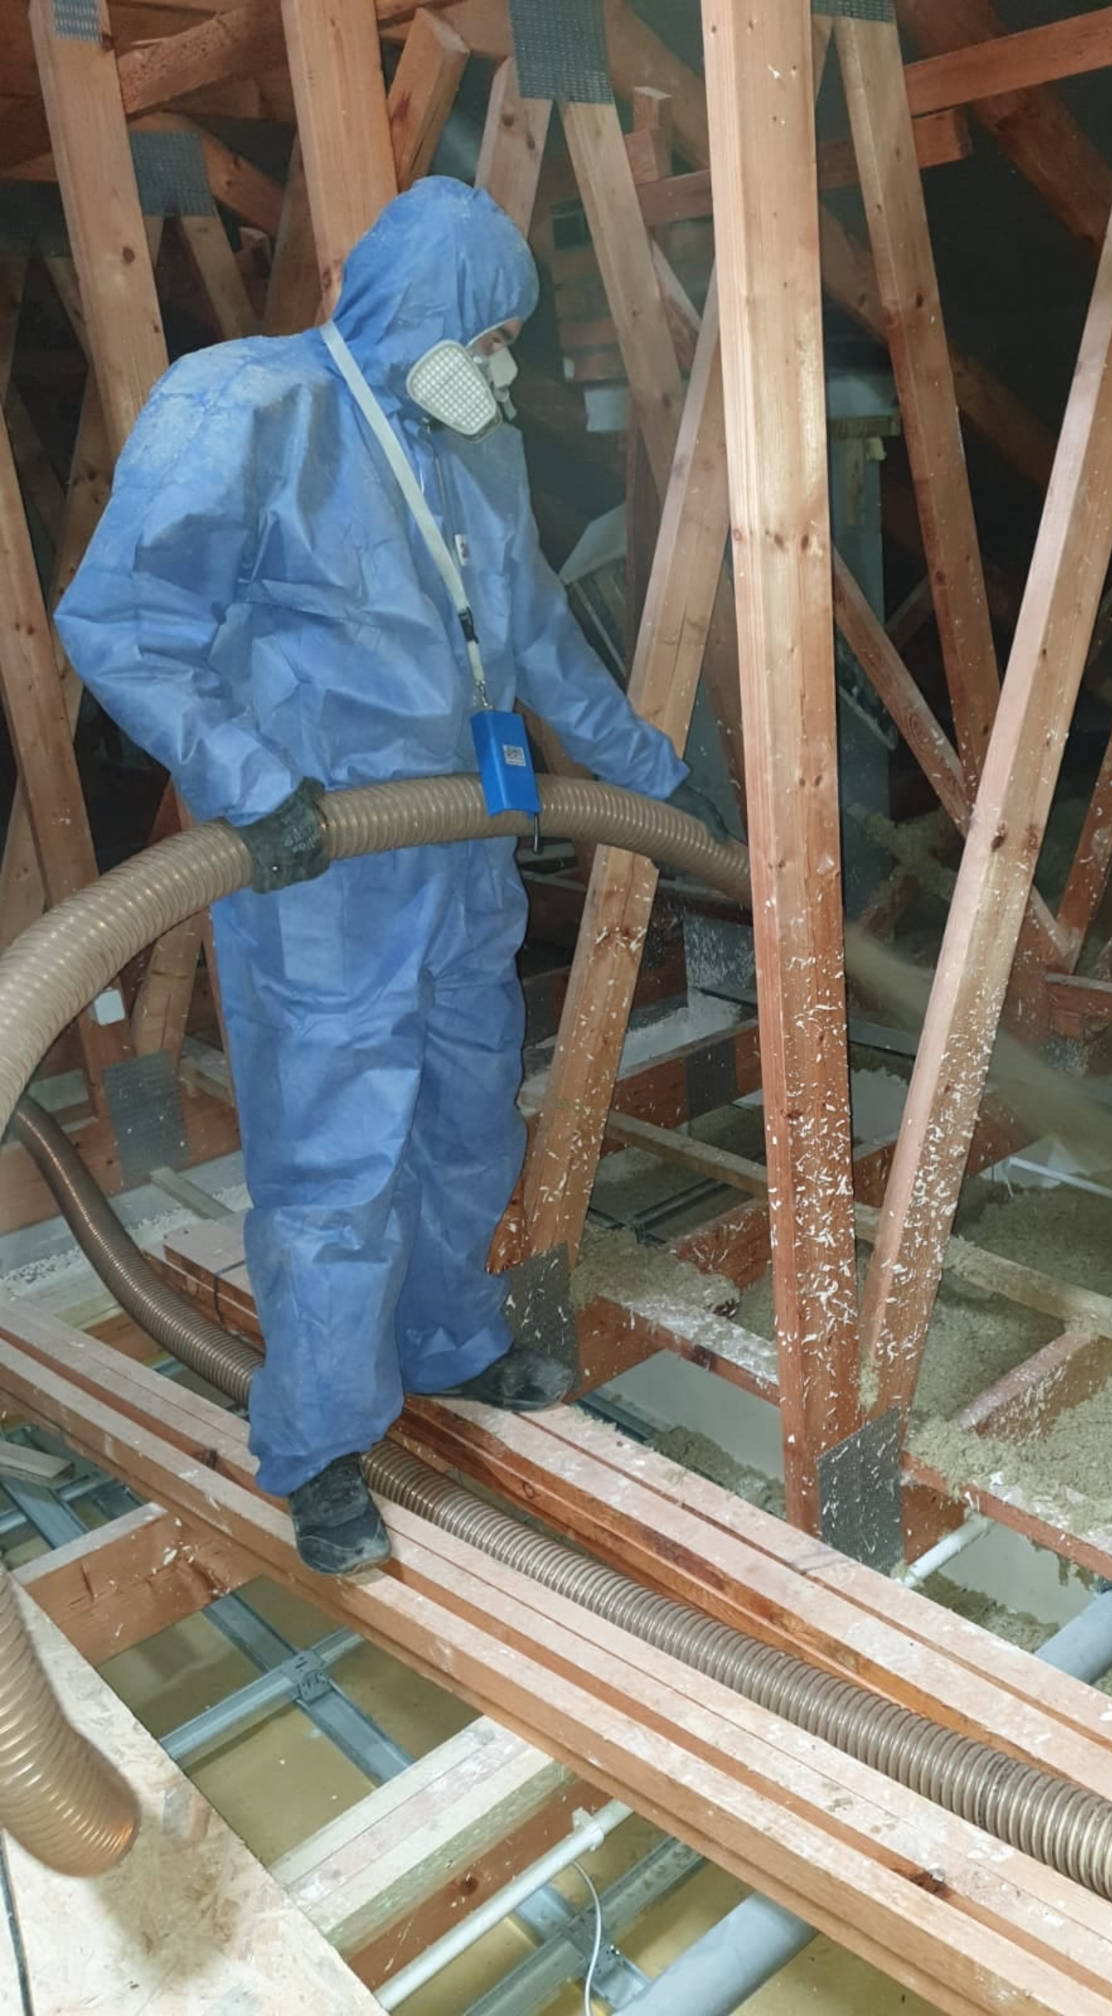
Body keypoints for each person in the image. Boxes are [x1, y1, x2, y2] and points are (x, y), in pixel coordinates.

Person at [57, 180, 724, 1576]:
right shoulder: (248, 409)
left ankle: (447, 1340)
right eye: (491, 340)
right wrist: (251, 785)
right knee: (337, 1166)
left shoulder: (476, 450)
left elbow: (533, 634)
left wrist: (649, 776)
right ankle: (321, 1449)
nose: (503, 371)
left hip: (462, 858)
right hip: (327, 872)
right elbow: (121, 622)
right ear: (426, 321)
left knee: (467, 1120)